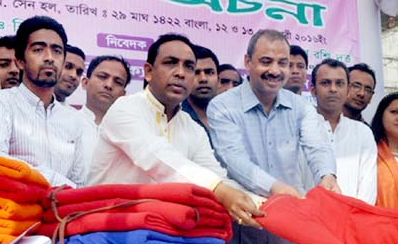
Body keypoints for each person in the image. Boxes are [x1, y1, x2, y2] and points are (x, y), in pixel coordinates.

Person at [88, 33, 263, 227]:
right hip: (107, 229)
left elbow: (216, 175)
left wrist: (260, 203)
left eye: (189, 67)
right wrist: (219, 190)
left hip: (163, 234)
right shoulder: (125, 109)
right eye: (171, 63)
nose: (181, 73)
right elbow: (157, 157)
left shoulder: (191, 128)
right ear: (148, 72)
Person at [208, 29, 338, 244]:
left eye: (283, 63)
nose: (275, 71)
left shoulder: (301, 107)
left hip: (287, 225)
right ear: (248, 62)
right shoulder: (222, 106)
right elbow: (234, 160)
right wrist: (276, 188)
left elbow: (317, 145)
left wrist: (327, 176)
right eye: (266, 62)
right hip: (241, 221)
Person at [0, 16, 88, 187]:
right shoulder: (1, 103)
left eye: (57, 51)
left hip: (61, 211)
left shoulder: (73, 119)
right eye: (38, 50)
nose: (49, 58)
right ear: (20, 61)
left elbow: (79, 183)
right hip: (13, 208)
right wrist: (54, 180)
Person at [308, 58, 376, 204]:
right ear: (313, 90)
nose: (333, 89)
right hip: (305, 219)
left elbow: (368, 189)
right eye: (325, 83)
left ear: (347, 91)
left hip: (350, 221)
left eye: (339, 83)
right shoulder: (300, 127)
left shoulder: (363, 132)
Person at [79, 54, 130, 173]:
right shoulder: (64, 122)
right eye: (102, 77)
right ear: (85, 83)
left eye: (118, 82)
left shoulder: (129, 133)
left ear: (123, 94)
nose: (108, 85)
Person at [181, 44, 219, 135]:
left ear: (219, 78)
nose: (203, 79)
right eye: (196, 72)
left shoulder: (230, 116)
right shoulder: (174, 116)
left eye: (209, 72)